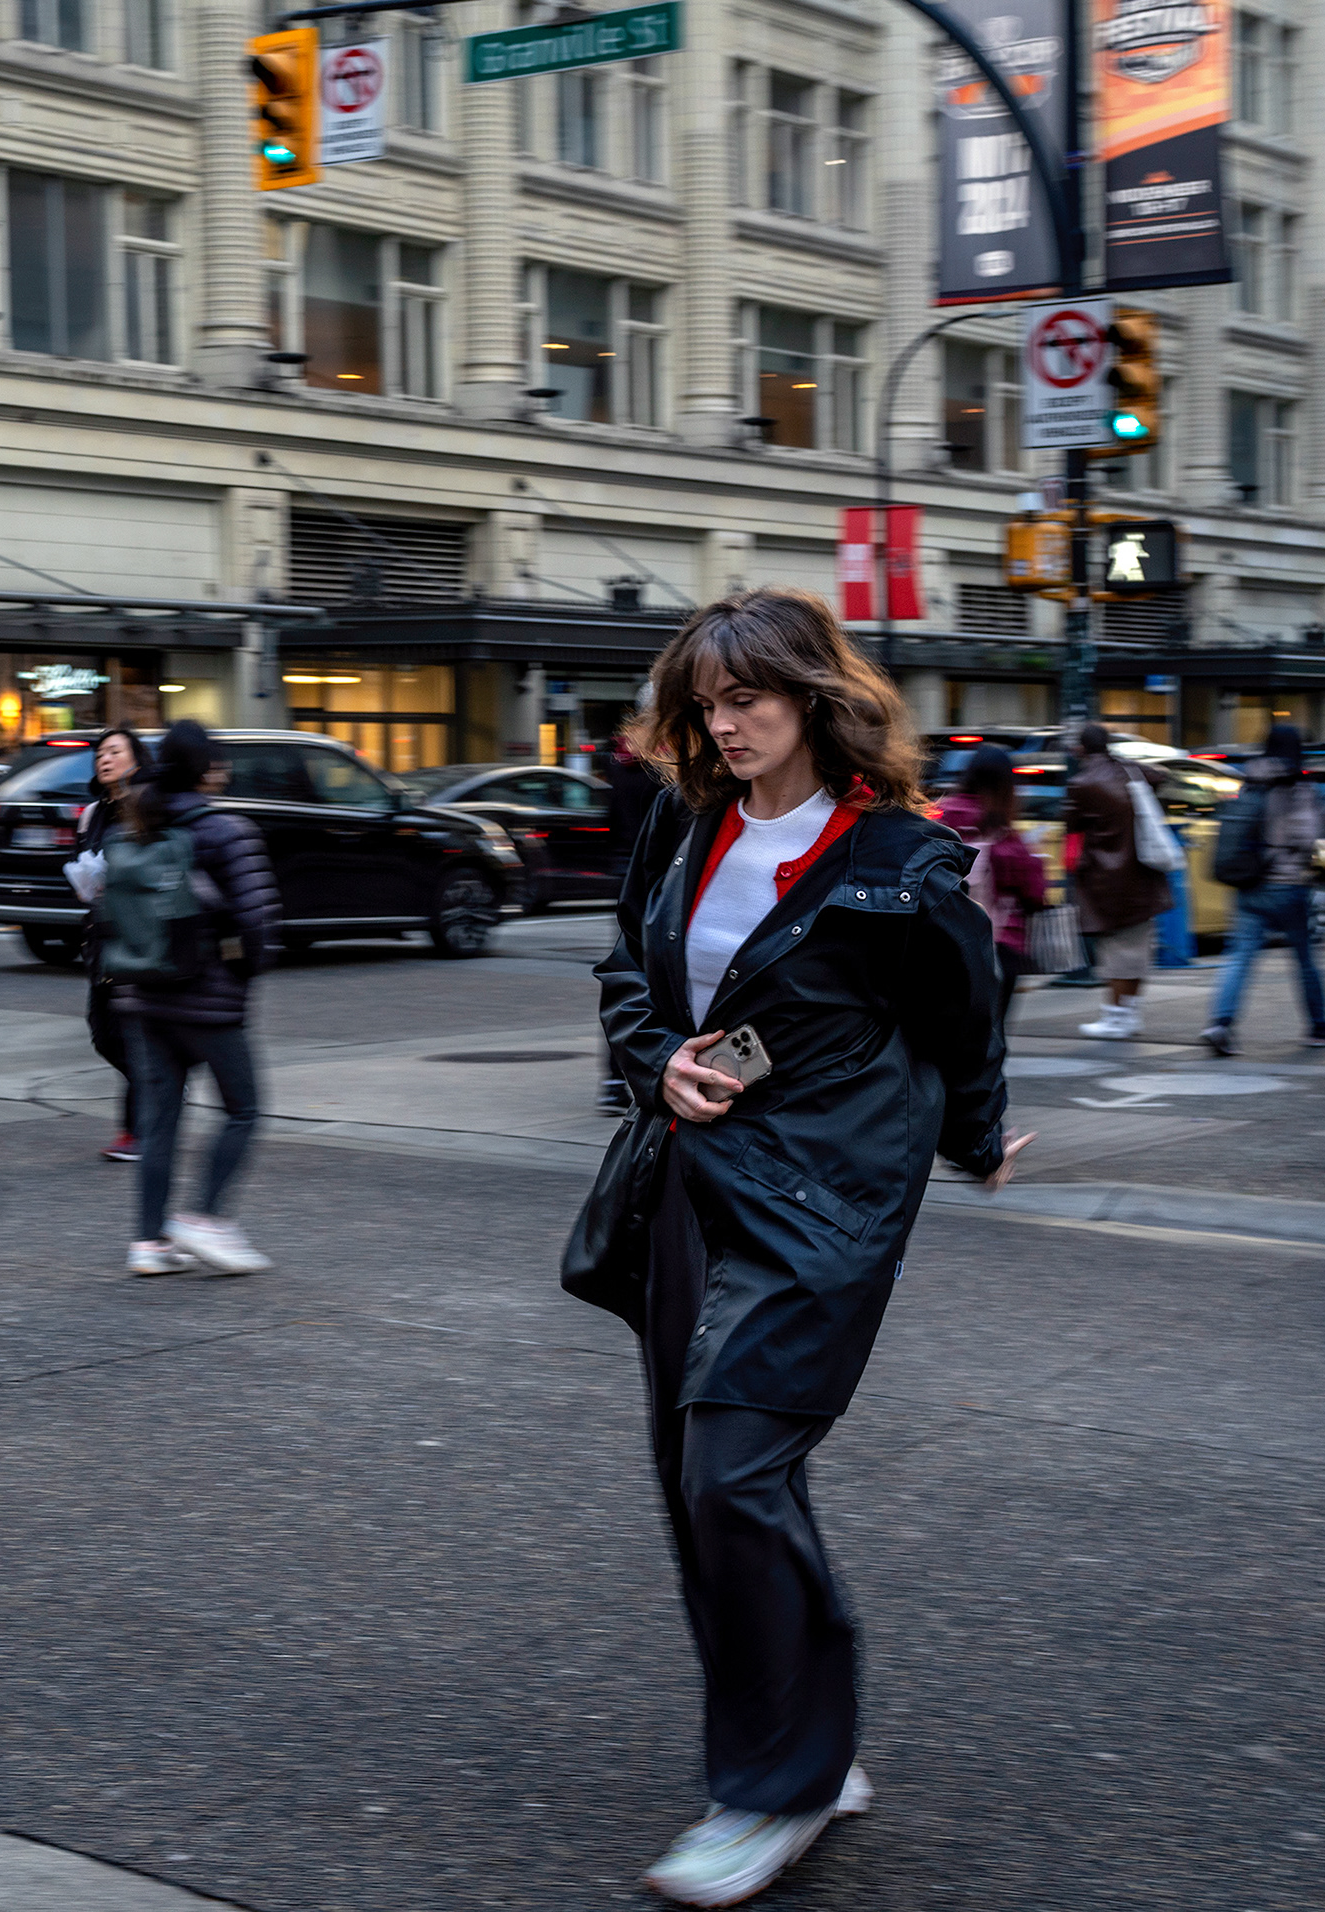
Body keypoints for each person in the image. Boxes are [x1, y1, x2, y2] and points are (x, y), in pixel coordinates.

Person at [562, 589, 1029, 1908]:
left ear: (815, 697)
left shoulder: (901, 858)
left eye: (748, 697)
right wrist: (660, 1065)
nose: (726, 724)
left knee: (729, 1474)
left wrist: (981, 1139)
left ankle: (771, 1792)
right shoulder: (684, 823)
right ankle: (807, 1750)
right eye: (707, 704)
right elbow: (624, 983)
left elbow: (963, 1021)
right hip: (685, 1189)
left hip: (821, 1204)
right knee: (707, 1483)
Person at [114, 722, 281, 1276]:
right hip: (208, 1000)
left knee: (160, 1123)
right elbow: (256, 922)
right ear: (207, 769)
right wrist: (244, 973)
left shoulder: (139, 818)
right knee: (244, 1109)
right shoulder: (226, 829)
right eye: (220, 762)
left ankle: (148, 1242)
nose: (225, 771)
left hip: (145, 992)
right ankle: (204, 1218)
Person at [1201, 724, 1325, 1055]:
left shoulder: (1250, 778)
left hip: (1250, 885)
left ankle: (1220, 1023)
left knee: (1239, 956)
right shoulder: (1299, 787)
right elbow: (1310, 838)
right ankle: (1320, 1026)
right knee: (1306, 959)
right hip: (1289, 885)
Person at [1062, 723, 1172, 1039]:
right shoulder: (1129, 770)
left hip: (1105, 879)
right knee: (1137, 949)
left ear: (1081, 749)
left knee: (1115, 953)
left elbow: (1072, 826)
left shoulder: (1081, 783)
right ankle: (1129, 1015)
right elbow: (1161, 775)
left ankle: (1114, 1018)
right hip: (1142, 873)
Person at [937, 744, 1050, 1031]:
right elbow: (1035, 894)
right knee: (991, 1035)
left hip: (945, 939)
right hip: (1001, 945)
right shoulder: (1004, 832)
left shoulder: (942, 817)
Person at [81, 727, 153, 1162]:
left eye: (114, 751)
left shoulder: (146, 807)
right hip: (101, 938)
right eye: (100, 754)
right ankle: (163, 1085)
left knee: (132, 1034)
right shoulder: (93, 814)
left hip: (137, 938)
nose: (103, 759)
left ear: (136, 759)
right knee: (103, 1036)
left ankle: (136, 1132)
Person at [598, 726, 660, 1115]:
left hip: (625, 878)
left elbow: (609, 821)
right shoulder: (665, 772)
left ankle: (612, 1080)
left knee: (628, 979)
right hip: (660, 876)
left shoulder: (618, 764)